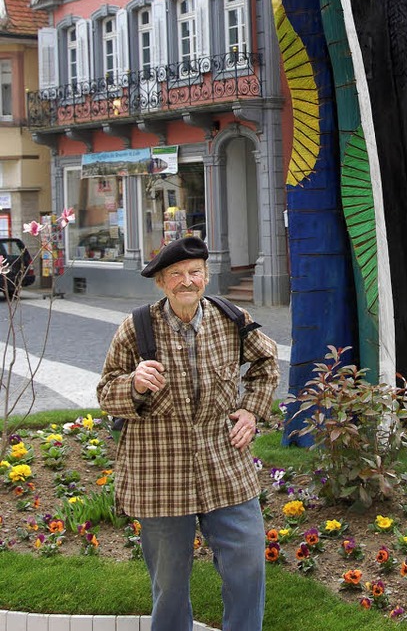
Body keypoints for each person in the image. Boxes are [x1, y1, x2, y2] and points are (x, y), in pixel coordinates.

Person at [97, 236, 279, 631]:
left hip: (224, 465)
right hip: (160, 473)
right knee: (170, 584)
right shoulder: (136, 327)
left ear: (206, 276)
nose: (187, 281)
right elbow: (106, 393)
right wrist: (135, 384)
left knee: (248, 564)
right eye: (176, 274)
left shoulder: (232, 319)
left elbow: (267, 364)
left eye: (194, 272)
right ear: (161, 282)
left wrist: (252, 410)